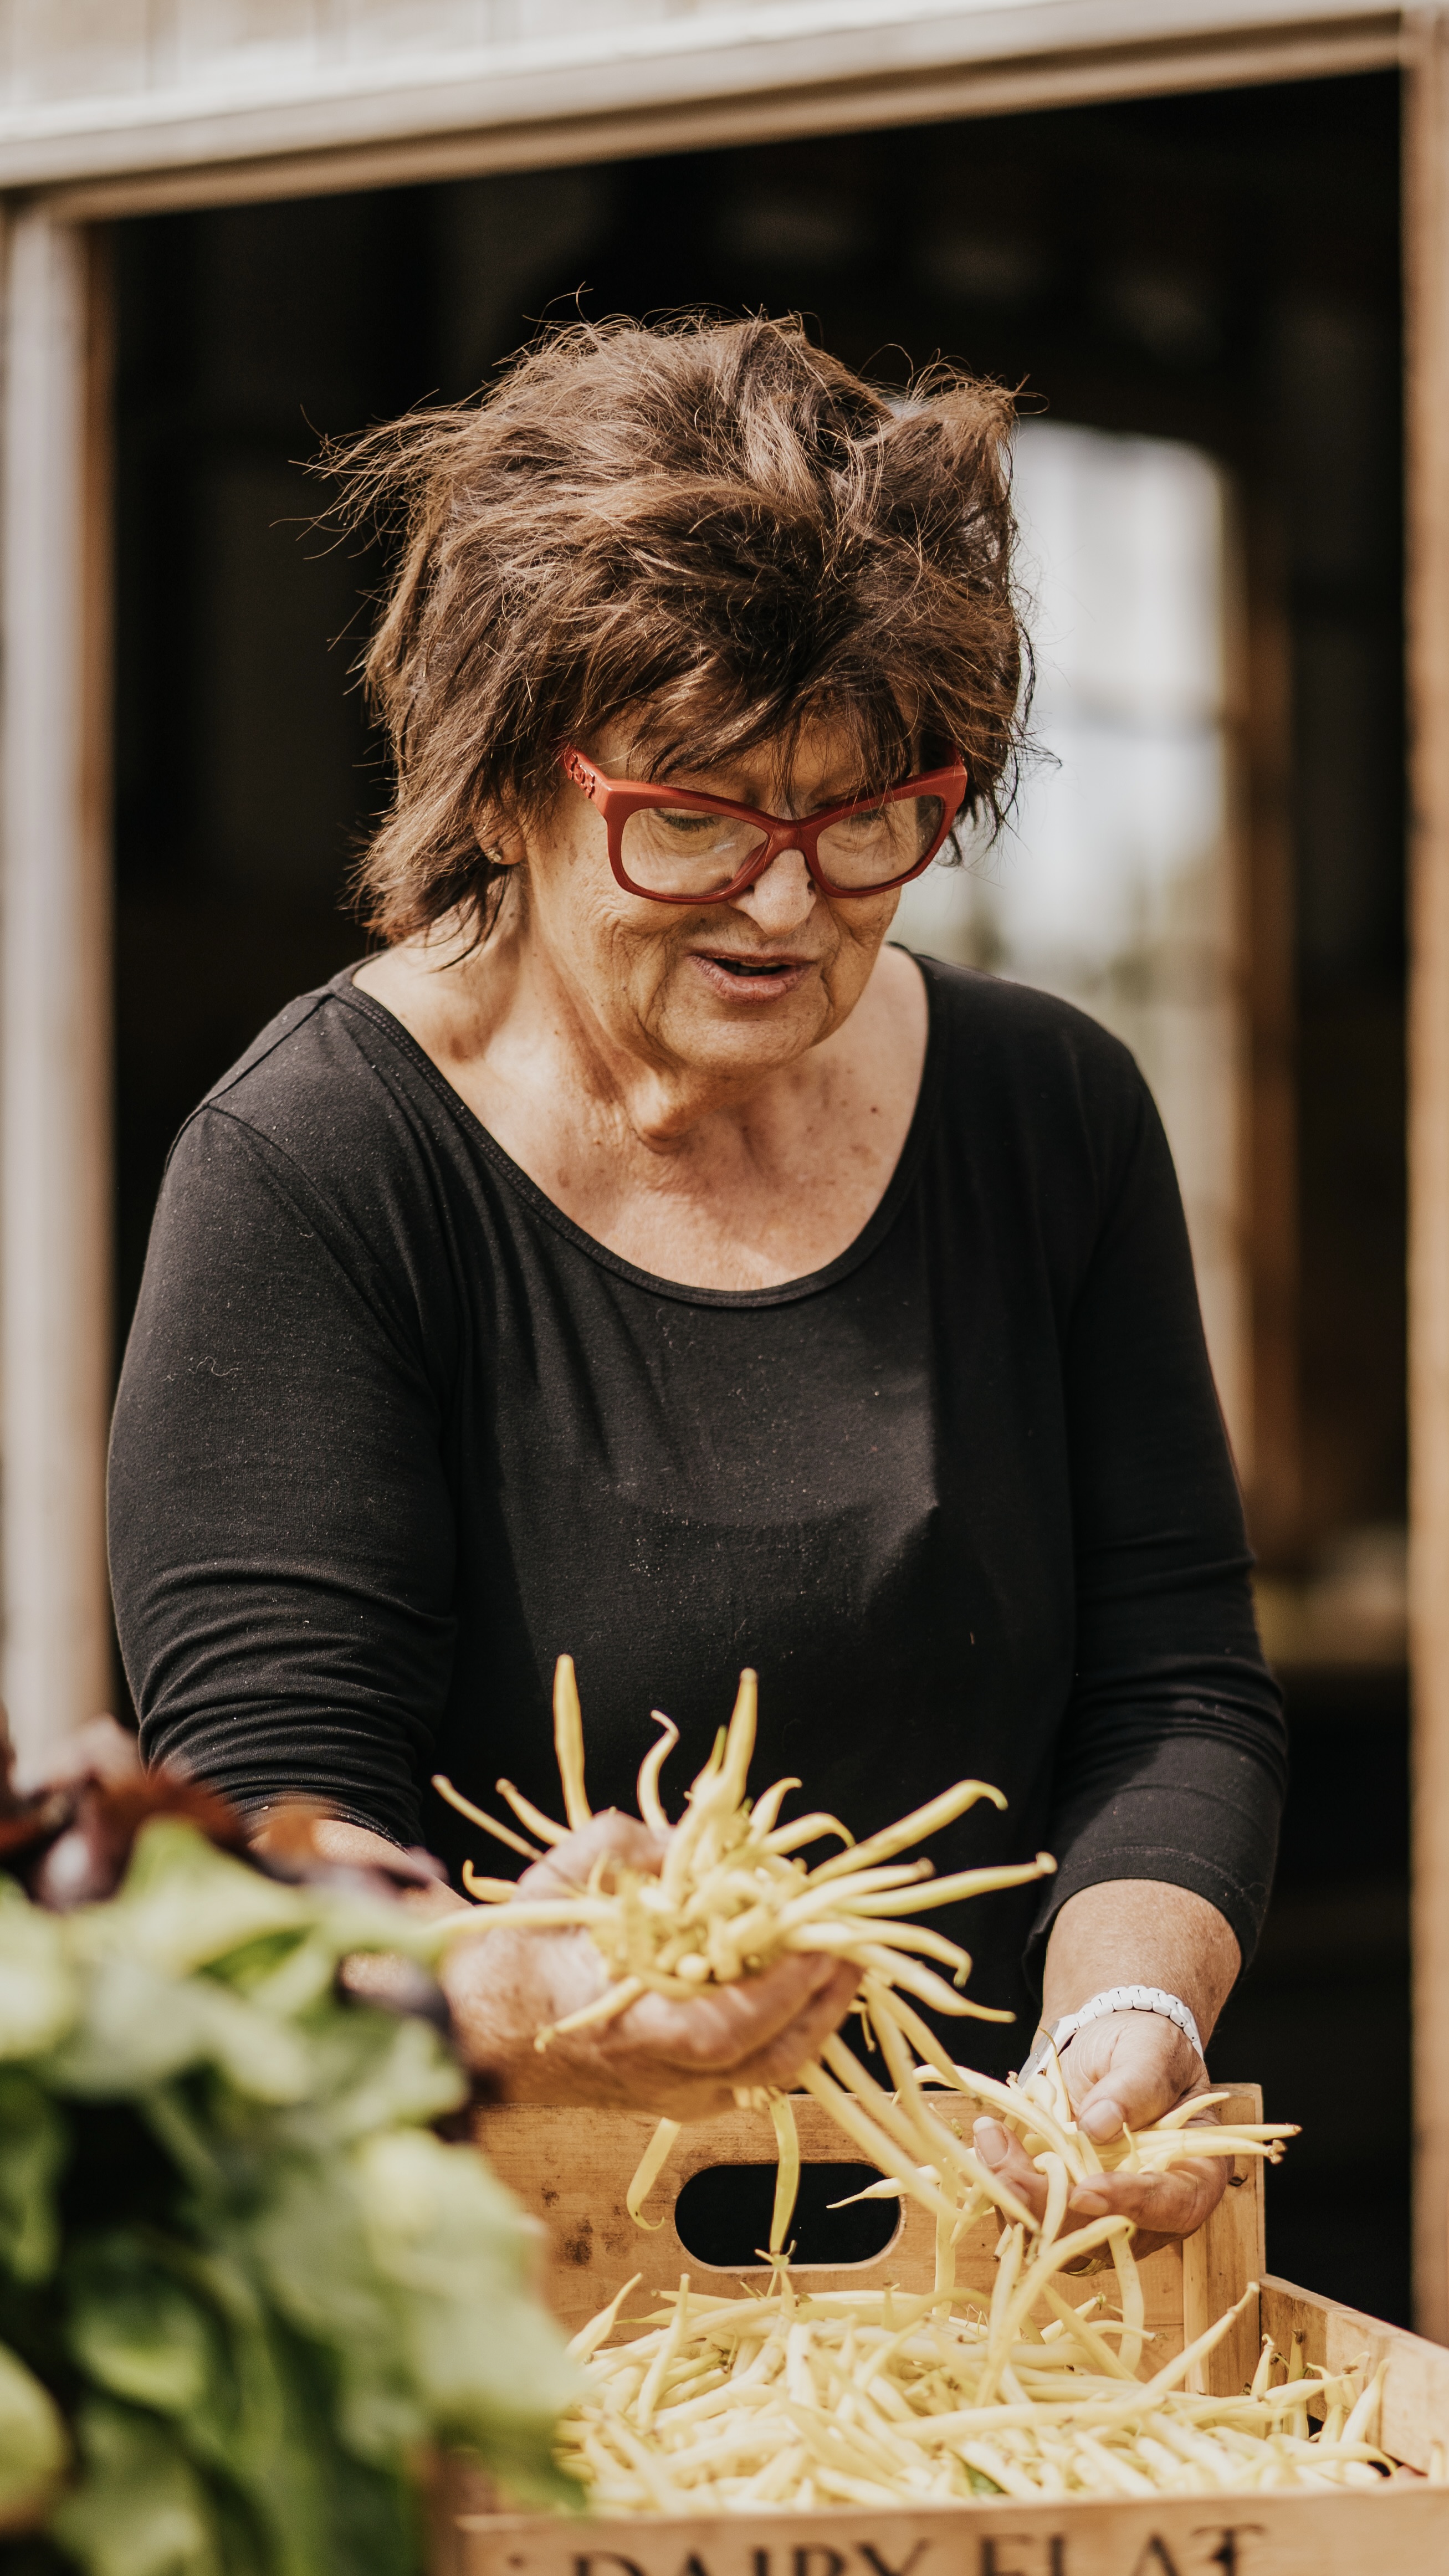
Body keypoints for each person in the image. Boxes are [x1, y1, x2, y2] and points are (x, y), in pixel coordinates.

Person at [108, 316, 1286, 2249]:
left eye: (866, 815)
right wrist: (528, 1981)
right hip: (502, 2280)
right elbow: (272, 1834)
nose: (784, 897)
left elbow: (1177, 1686)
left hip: (992, 2275)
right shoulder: (318, 1167)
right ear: (508, 786)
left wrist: (1125, 2019)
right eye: (692, 820)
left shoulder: (1047, 1111)